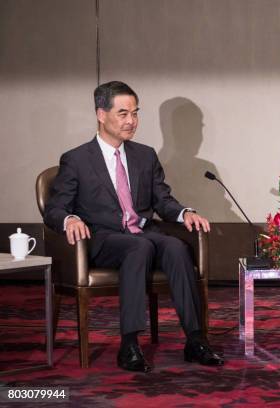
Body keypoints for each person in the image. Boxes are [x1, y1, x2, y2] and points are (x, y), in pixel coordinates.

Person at [44, 81, 224, 372]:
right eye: (123, 113)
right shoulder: (76, 159)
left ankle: (196, 340)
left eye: (135, 113)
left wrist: (184, 213)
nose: (131, 121)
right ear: (101, 114)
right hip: (102, 239)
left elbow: (162, 201)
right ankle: (129, 344)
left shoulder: (144, 155)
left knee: (177, 247)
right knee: (138, 246)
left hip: (142, 233)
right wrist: (70, 219)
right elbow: (55, 208)